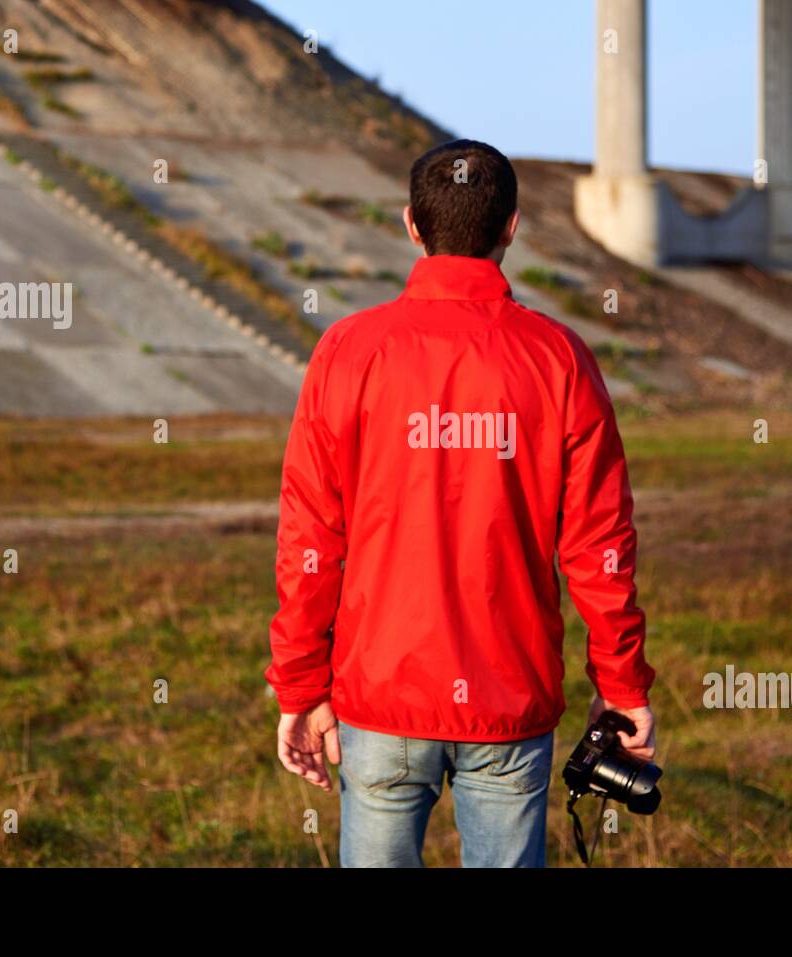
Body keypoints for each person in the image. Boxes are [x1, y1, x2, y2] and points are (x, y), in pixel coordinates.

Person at [265, 139, 655, 867]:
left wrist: (298, 685)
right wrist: (622, 683)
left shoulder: (348, 351)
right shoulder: (559, 358)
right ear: (511, 227)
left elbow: (310, 537)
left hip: (379, 698)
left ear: (411, 225)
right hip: (508, 699)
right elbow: (601, 543)